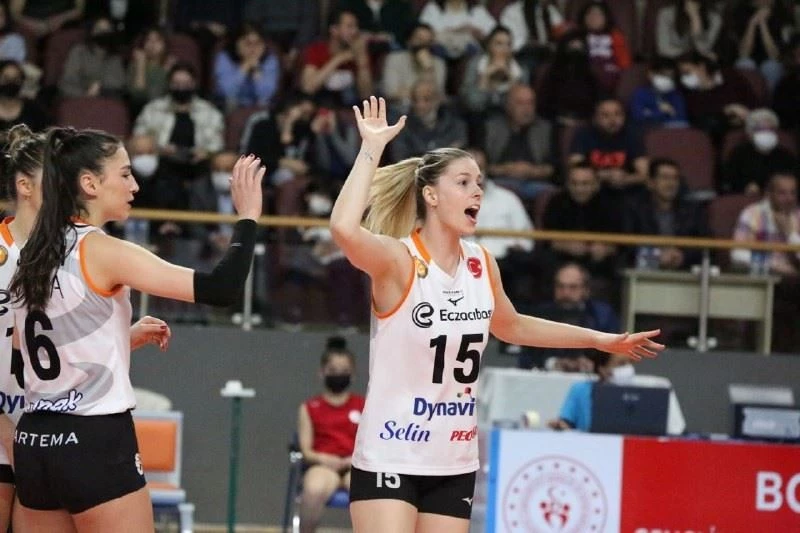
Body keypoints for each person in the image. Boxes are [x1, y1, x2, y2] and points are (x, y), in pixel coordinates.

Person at [329, 96, 663, 532]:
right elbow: (343, 228)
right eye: (464, 182)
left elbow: (513, 325)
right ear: (431, 195)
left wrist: (600, 340)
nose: (478, 192)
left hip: (453, 457)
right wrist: (371, 148)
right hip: (391, 451)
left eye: (480, 183)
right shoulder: (399, 260)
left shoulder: (481, 262)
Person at [7, 129, 264, 530]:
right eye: (125, 174)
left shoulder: (32, 253)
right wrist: (248, 216)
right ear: (90, 183)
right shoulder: (102, 249)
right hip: (93, 437)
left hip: (34, 439)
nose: (135, 186)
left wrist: (119, 339)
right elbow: (222, 287)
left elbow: (28, 351)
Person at [0, 124, 175, 531]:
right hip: (13, 429)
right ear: (25, 186)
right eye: (54, 175)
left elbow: (56, 346)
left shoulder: (72, 249)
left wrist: (121, 339)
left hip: (44, 432)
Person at [297, 336, 366, 533]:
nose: (338, 375)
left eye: (344, 371)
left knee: (367, 492)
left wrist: (352, 460)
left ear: (352, 374)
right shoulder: (309, 407)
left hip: (356, 466)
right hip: (323, 465)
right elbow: (306, 450)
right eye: (333, 370)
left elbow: (372, 444)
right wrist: (325, 459)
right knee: (314, 489)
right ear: (322, 372)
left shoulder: (364, 405)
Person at [518, 262, 620, 370]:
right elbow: (526, 356)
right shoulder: (539, 315)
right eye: (560, 286)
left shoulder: (602, 315)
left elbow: (615, 351)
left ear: (585, 290)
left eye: (573, 287)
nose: (566, 293)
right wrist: (553, 363)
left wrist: (596, 366)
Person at [547, 351, 635, 431]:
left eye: (629, 363)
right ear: (602, 368)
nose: (628, 368)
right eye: (621, 364)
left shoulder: (635, 395)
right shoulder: (580, 389)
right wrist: (560, 425)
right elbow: (567, 422)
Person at [720, 108, 798, 195]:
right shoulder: (738, 154)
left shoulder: (785, 156)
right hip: (746, 197)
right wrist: (745, 187)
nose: (766, 133)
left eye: (770, 129)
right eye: (761, 129)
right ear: (750, 133)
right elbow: (728, 181)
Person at [213, 22, 281, 111]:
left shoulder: (269, 60)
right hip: (228, 107)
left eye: (257, 43)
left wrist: (257, 71)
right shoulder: (225, 57)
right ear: (236, 43)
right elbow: (226, 92)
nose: (253, 48)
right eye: (248, 43)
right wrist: (243, 68)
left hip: (260, 108)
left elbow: (267, 95)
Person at [58, 16, 126, 98]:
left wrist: (100, 86)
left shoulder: (114, 56)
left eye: (107, 30)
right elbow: (66, 83)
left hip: (106, 100)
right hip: (78, 98)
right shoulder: (79, 51)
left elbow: (119, 83)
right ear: (92, 32)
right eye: (99, 29)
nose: (103, 33)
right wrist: (85, 94)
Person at [628, 56, 689, 129]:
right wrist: (661, 112)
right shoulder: (640, 94)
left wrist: (651, 113)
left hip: (670, 133)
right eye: (663, 75)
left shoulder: (676, 96)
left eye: (670, 77)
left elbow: (681, 121)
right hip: (646, 132)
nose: (667, 79)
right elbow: (638, 117)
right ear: (651, 74)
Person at [655, 0, 723, 60]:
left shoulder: (715, 18)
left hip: (700, 63)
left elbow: (704, 48)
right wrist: (688, 52)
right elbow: (663, 49)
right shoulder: (666, 14)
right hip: (672, 61)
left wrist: (695, 19)